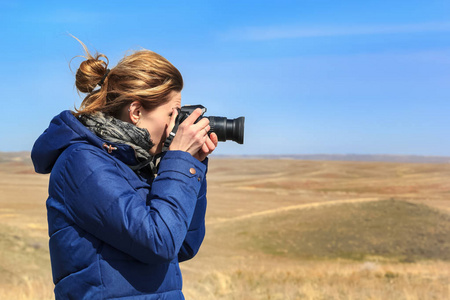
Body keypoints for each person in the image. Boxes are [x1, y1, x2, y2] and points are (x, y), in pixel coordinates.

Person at [31, 38, 218, 299]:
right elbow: (159, 241)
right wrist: (178, 160)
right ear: (136, 112)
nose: (174, 125)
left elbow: (183, 244)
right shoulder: (82, 162)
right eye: (172, 114)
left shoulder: (133, 162)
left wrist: (193, 165)